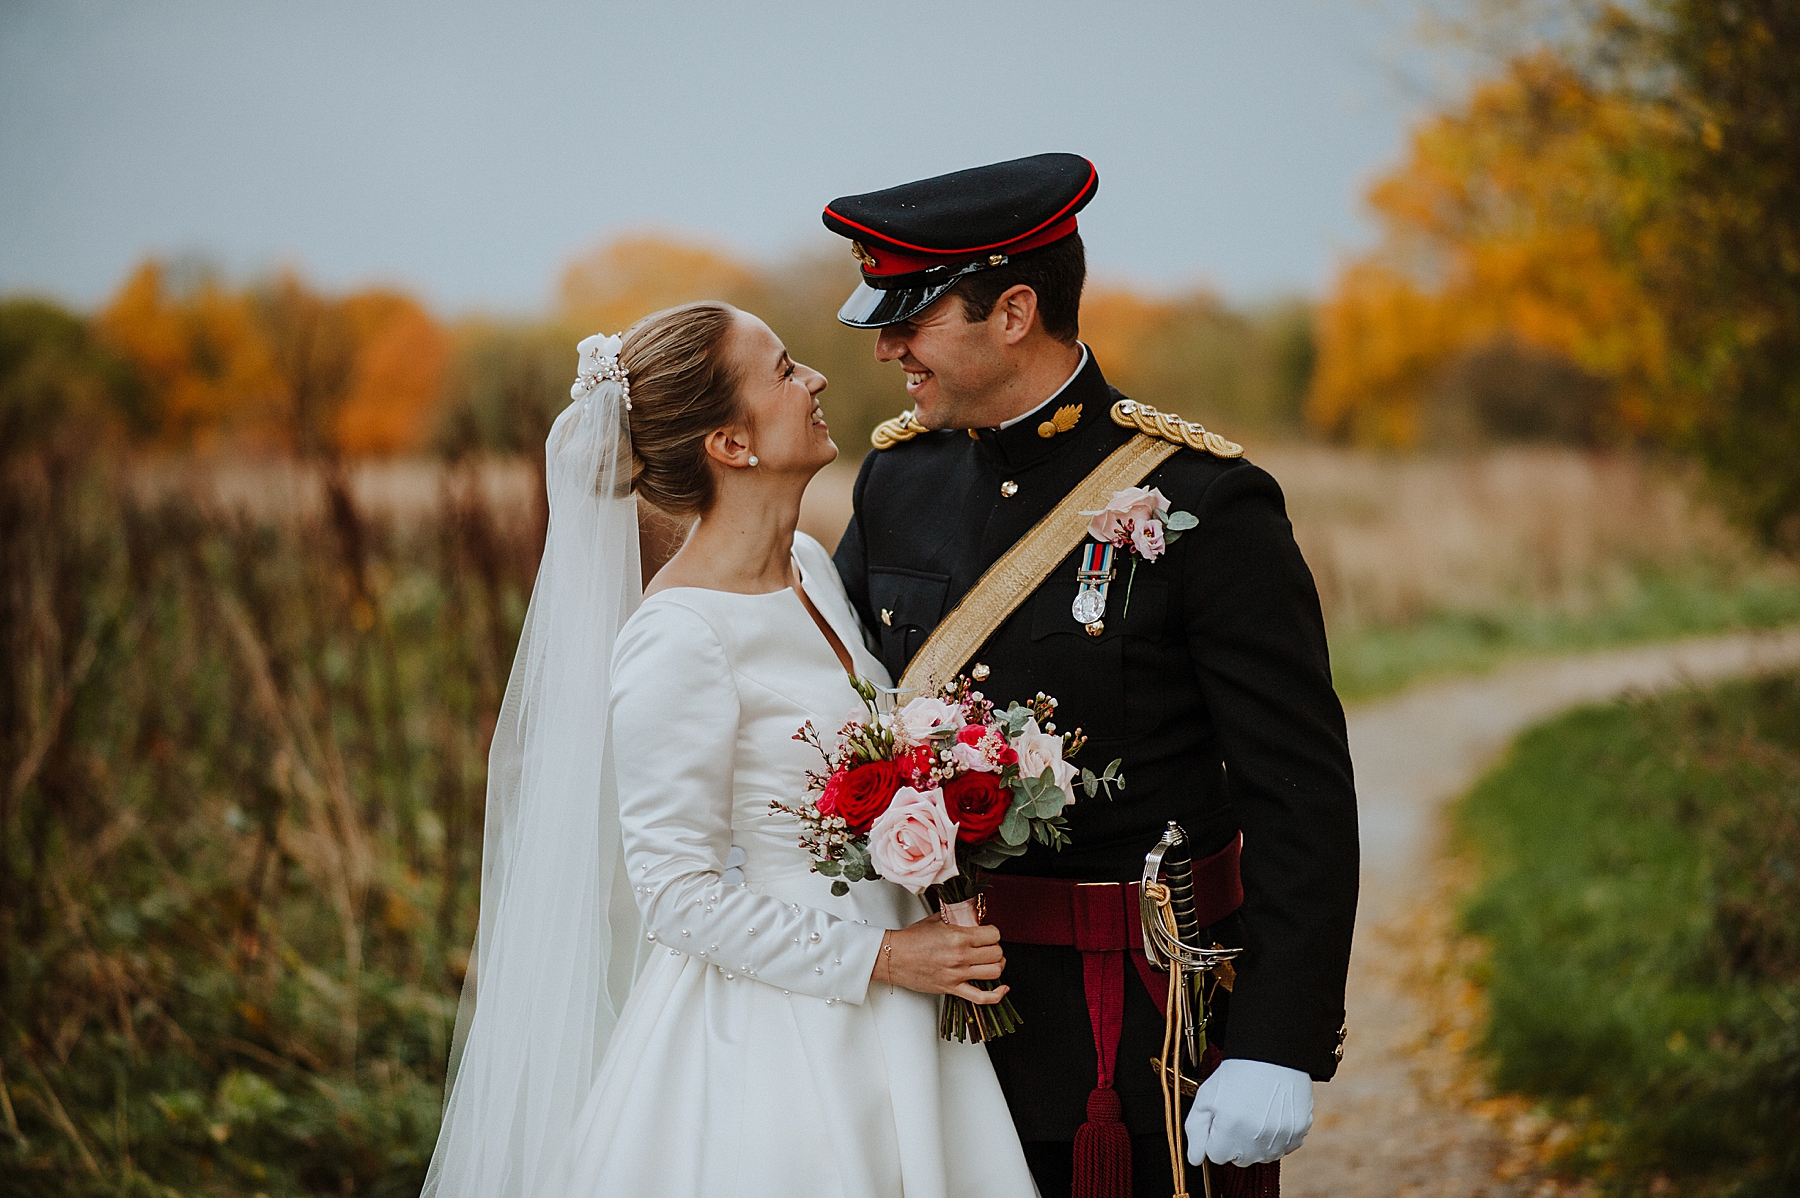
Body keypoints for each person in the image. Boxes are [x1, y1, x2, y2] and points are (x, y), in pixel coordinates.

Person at [826, 154, 1359, 1198]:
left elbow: (1298, 790)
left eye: (911, 321)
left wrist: (1278, 1038)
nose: (889, 348)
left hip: (1137, 1023)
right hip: (936, 1012)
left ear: (1014, 310)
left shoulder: (1207, 499)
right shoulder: (899, 478)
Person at [423, 301, 1039, 1198]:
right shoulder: (678, 637)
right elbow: (675, 894)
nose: (817, 379)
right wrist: (882, 961)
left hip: (907, 997)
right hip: (778, 1033)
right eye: (786, 372)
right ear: (730, 444)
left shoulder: (813, 568)